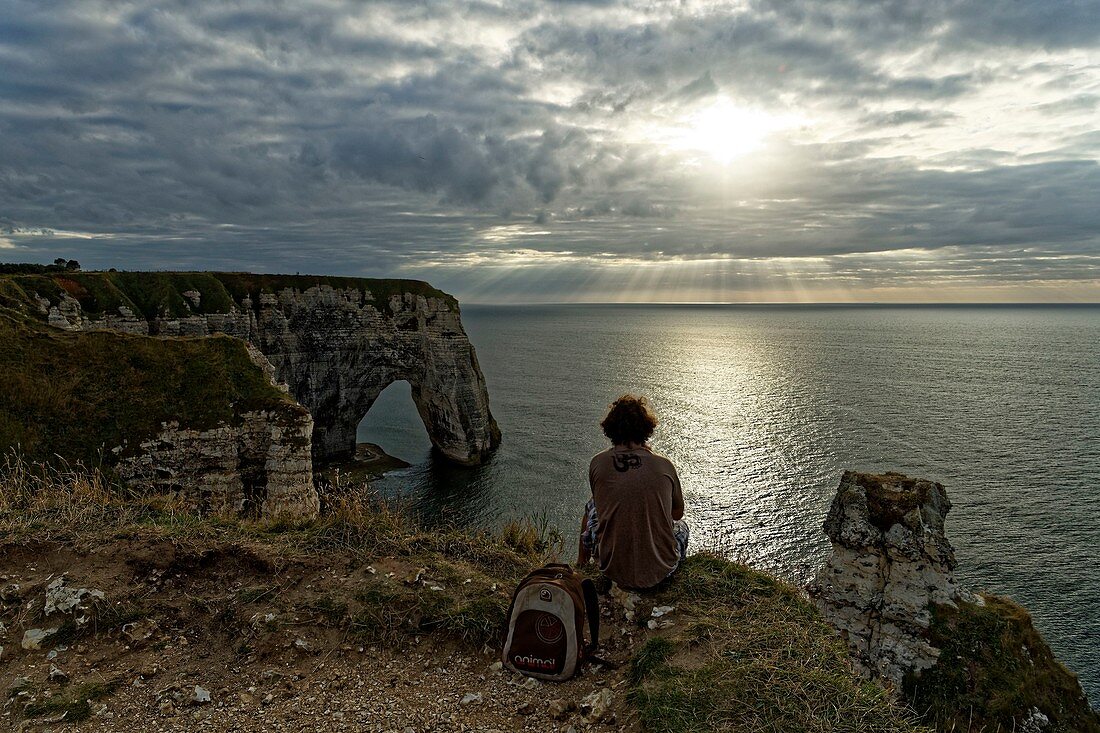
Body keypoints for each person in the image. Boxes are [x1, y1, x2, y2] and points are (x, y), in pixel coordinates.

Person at [578, 394, 689, 591]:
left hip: (611, 568)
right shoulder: (664, 465)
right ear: (646, 429)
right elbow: (676, 514)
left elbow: (603, 502)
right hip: (660, 573)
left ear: (610, 428)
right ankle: (670, 570)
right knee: (682, 527)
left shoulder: (598, 463)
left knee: (590, 506)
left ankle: (581, 564)